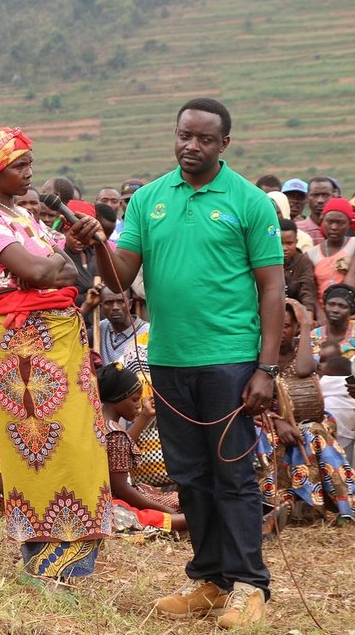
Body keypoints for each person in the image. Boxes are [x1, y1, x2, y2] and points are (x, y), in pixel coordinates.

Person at [97, 98, 283, 628]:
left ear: (224, 144)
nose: (190, 146)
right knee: (190, 476)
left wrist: (265, 369)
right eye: (184, 135)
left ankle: (250, 588)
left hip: (230, 361)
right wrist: (92, 246)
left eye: (203, 139)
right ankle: (209, 579)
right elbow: (118, 277)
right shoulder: (150, 199)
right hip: (170, 361)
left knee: (233, 476)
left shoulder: (249, 202)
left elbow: (272, 288)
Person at [0, 126, 109, 583]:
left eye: (30, 163)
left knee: (81, 442)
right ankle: (46, 563)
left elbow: (68, 272)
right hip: (20, 344)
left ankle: (75, 558)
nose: (29, 174)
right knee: (38, 445)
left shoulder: (25, 218)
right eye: (19, 166)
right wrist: (60, 267)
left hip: (61, 335)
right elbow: (38, 270)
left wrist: (64, 261)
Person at [259, 299, 355, 525]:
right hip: (267, 421)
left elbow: (304, 369)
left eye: (287, 326)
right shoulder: (257, 352)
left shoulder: (306, 344)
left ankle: (344, 509)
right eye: (274, 324)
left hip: (309, 420)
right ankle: (278, 506)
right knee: (267, 440)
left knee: (313, 434)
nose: (281, 331)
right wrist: (277, 422)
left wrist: (304, 324)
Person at [99, 363, 187, 533]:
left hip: (104, 499)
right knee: (184, 515)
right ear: (118, 397)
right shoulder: (115, 433)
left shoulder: (99, 424)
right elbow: (121, 489)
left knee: (166, 497)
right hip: (115, 503)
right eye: (134, 399)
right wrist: (167, 512)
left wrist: (144, 416)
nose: (138, 405)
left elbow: (117, 454)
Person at [306, 198, 355, 296]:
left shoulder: (353, 245)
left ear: (349, 224)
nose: (334, 227)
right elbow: (311, 290)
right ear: (322, 221)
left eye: (340, 223)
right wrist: (319, 311)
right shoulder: (311, 254)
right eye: (330, 221)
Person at [95, 287, 148, 364]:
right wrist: (87, 306)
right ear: (101, 307)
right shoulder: (99, 328)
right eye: (109, 302)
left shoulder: (147, 332)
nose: (115, 307)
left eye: (120, 301)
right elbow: (74, 338)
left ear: (129, 304)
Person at [280, 218, 318, 318]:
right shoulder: (266, 261)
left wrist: (308, 316)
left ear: (296, 242)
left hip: (296, 316)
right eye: (280, 243)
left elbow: (307, 290)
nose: (284, 248)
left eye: (289, 243)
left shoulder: (303, 261)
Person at [312, 284, 355, 362]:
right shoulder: (312, 337)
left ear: (351, 310)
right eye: (331, 304)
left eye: (342, 306)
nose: (335, 310)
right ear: (324, 306)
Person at [300, 176, 337, 246]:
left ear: (334, 196)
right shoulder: (298, 230)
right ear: (307, 197)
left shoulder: (341, 230)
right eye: (315, 195)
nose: (320, 200)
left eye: (325, 195)